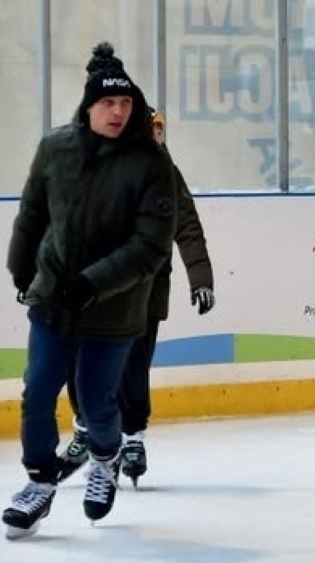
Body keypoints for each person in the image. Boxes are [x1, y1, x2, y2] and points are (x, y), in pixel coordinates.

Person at [3, 44, 176, 539]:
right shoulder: (55, 148)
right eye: (108, 104)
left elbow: (150, 247)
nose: (118, 112)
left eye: (125, 105)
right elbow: (33, 214)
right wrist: (21, 271)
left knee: (97, 403)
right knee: (37, 393)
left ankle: (105, 456)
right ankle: (39, 480)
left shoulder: (150, 165)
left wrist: (91, 284)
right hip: (53, 300)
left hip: (114, 309)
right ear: (88, 106)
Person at [57, 108, 215, 488]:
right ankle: (84, 430)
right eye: (150, 129)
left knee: (132, 368)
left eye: (161, 129)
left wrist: (201, 278)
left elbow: (188, 226)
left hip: (145, 293)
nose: (156, 136)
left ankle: (132, 437)